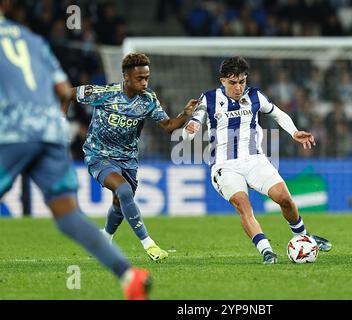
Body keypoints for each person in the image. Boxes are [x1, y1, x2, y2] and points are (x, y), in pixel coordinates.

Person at [0, 0, 149, 299]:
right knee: (68, 215)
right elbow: (62, 89)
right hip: (50, 130)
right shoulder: (33, 40)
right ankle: (128, 275)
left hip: (13, 132)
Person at [182, 56, 332, 264]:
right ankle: (266, 251)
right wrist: (189, 130)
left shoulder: (255, 96)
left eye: (242, 81)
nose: (238, 87)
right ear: (222, 81)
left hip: (255, 161)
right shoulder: (208, 99)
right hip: (225, 166)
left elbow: (278, 115)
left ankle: (303, 237)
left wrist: (294, 132)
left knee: (285, 199)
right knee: (243, 204)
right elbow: (189, 132)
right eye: (233, 82)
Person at [63, 53, 198, 261]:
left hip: (129, 160)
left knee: (120, 201)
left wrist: (185, 113)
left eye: (147, 78)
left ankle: (104, 237)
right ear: (126, 77)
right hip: (98, 155)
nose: (144, 82)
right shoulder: (104, 93)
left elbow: (169, 127)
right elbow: (67, 93)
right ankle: (149, 245)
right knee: (124, 190)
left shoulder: (148, 100)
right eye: (139, 78)